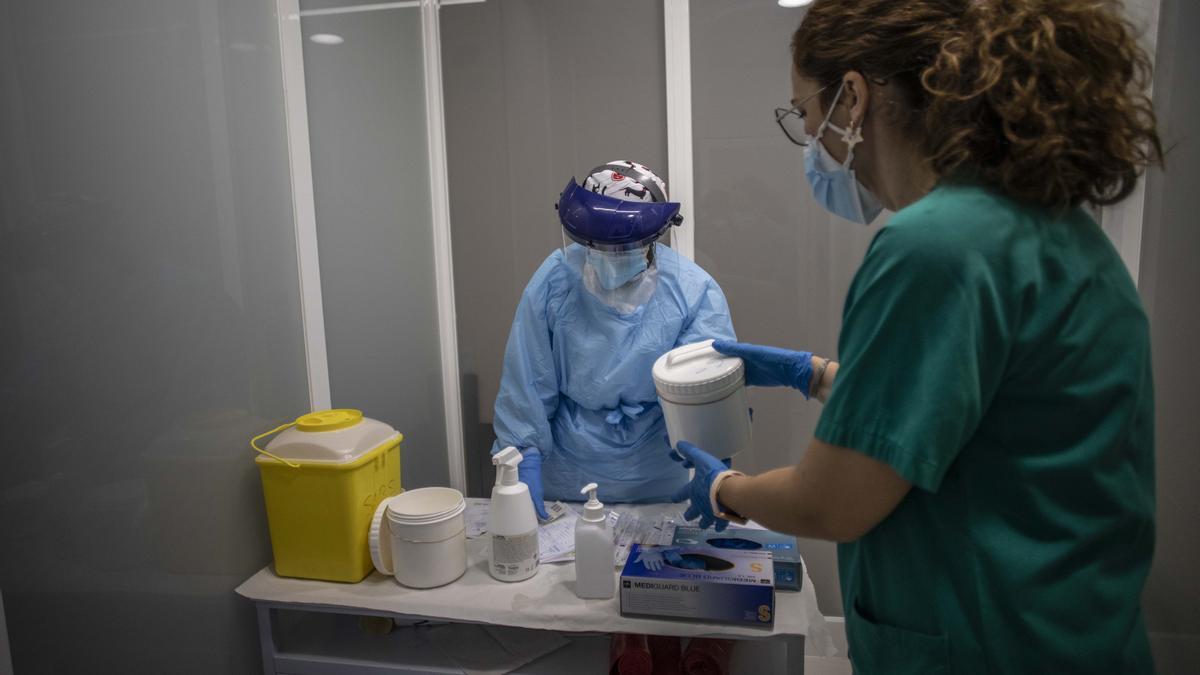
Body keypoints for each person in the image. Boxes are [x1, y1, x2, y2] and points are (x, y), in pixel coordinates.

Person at [670, 1, 1162, 673]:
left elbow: (831, 500)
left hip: (988, 646)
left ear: (852, 96)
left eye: (803, 113)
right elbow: (988, 420)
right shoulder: (1049, 228)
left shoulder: (934, 245)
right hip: (1067, 635)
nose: (809, 135)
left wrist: (728, 486)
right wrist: (816, 374)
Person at [491, 162, 738, 674]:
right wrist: (524, 455)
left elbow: (706, 395)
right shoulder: (554, 281)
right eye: (597, 247)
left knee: (670, 585)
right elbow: (526, 377)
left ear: (653, 238)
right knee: (577, 602)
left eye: (623, 247)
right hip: (571, 473)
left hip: (662, 467)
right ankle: (627, 643)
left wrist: (712, 463)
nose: (608, 259)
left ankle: (680, 647)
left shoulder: (692, 291)